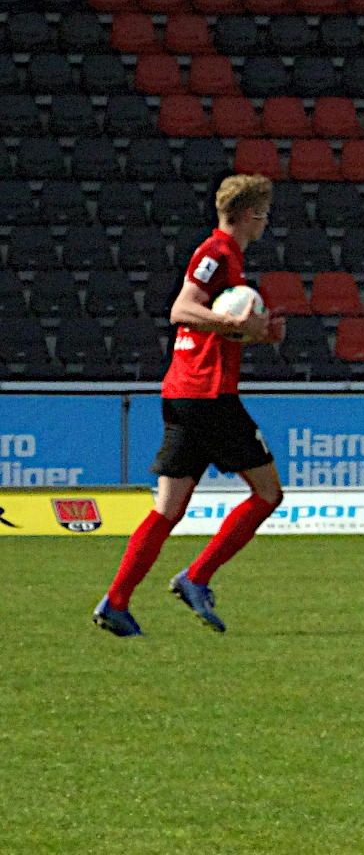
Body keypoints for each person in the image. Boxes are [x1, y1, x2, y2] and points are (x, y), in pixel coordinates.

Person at [93, 174, 286, 636]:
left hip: (186, 391)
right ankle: (196, 577)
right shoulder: (215, 252)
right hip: (208, 394)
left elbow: (213, 328)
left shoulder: (229, 258)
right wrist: (234, 323)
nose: (266, 222)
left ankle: (116, 604)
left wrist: (257, 332)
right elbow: (181, 310)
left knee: (169, 507)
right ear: (247, 214)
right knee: (268, 494)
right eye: (263, 213)